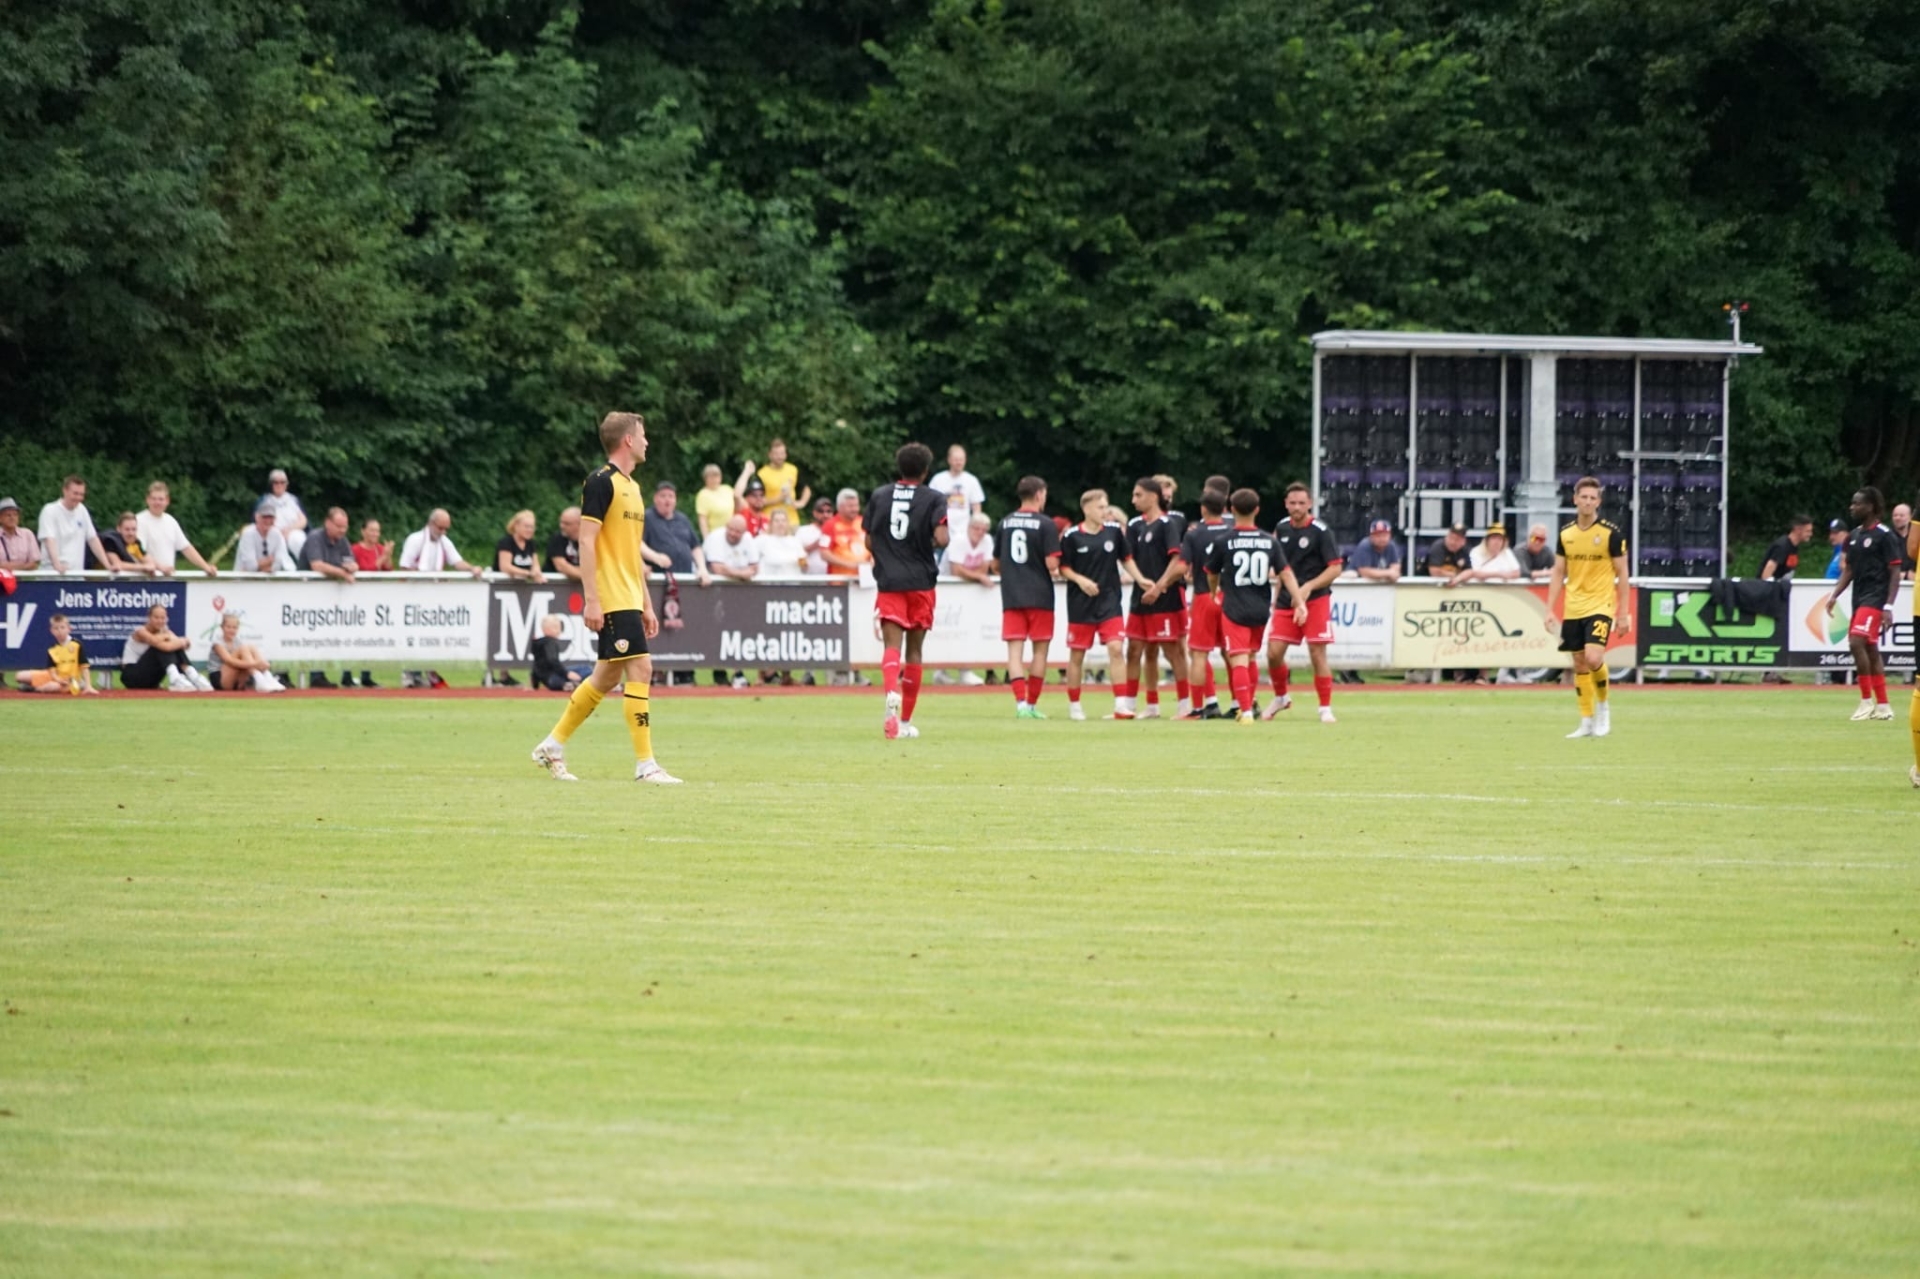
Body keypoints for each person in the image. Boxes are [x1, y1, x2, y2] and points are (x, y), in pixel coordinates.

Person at [529, 410, 682, 784]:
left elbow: (630, 552)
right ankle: (645, 765)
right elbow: (587, 541)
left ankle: (552, 746)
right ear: (628, 440)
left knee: (605, 677)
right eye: (642, 435)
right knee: (641, 668)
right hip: (611, 595)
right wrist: (593, 600)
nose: (646, 441)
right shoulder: (600, 482)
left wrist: (646, 602)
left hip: (629, 594)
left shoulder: (634, 488)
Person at [863, 442, 950, 739]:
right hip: (921, 581)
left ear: (899, 468)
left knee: (891, 646)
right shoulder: (934, 498)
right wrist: (923, 541)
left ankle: (891, 694)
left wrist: (890, 551)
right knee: (915, 651)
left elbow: (869, 541)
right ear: (925, 471)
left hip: (890, 580)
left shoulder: (880, 495)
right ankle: (906, 722)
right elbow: (942, 538)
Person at [1206, 489, 1308, 722]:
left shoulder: (1224, 541)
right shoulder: (1269, 541)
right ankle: (1250, 705)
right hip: (1260, 607)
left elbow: (1211, 572)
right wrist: (1300, 602)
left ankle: (1245, 711)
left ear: (1232, 509)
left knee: (1239, 659)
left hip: (1234, 606)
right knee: (1251, 657)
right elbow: (1286, 573)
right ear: (1257, 510)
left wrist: (1214, 592)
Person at [1545, 476, 1633, 739]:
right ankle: (1586, 720)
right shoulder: (1566, 534)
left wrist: (1623, 613)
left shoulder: (1611, 533)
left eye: (1592, 498)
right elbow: (1558, 571)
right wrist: (1549, 608)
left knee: (1594, 658)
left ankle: (1603, 707)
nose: (1587, 501)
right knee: (1579, 662)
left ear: (1598, 502)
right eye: (1583, 497)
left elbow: (1623, 572)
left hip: (1601, 604)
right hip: (1574, 606)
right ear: (1575, 499)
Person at [1059, 488, 1148, 721]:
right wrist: (1080, 580)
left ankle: (1121, 705)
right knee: (1077, 655)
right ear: (1086, 509)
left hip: (1109, 601)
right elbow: (1063, 568)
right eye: (1100, 507)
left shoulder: (1114, 532)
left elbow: (1126, 559)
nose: (1104, 512)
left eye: (1106, 507)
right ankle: (1075, 705)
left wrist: (1140, 579)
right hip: (1081, 604)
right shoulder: (1071, 536)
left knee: (1116, 648)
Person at [1264, 483, 1345, 724]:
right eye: (1293, 503)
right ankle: (1281, 697)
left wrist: (1309, 586)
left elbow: (1335, 568)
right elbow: (1281, 568)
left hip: (1316, 599)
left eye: (1301, 503)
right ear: (1286, 504)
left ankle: (1325, 708)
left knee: (1317, 653)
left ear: (1310, 504)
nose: (1297, 507)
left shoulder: (1321, 531)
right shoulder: (1281, 528)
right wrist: (1277, 596)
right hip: (1287, 600)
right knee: (1273, 653)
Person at [1823, 487, 1901, 723]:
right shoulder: (1853, 537)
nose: (1852, 507)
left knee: (1856, 641)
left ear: (1870, 506)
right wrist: (1835, 595)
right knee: (1870, 649)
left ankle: (1866, 701)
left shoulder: (1884, 535)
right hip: (1859, 598)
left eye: (1857, 503)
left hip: (1875, 599)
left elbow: (1894, 572)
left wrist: (1888, 606)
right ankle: (1884, 706)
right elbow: (1849, 570)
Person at [1121, 477, 1189, 720]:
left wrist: (1159, 587)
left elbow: (1177, 559)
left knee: (1172, 651)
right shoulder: (1135, 525)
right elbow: (1127, 557)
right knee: (1135, 650)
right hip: (1140, 598)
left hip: (1165, 599)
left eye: (1138, 495)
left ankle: (1184, 705)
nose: (1134, 500)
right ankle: (1138, 705)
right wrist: (1140, 581)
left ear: (1153, 496)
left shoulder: (1167, 524)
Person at [994, 477, 1062, 718]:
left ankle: (1020, 703)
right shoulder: (1045, 524)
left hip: (1012, 595)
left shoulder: (1005, 522)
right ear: (1039, 495)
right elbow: (1052, 563)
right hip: (1040, 595)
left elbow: (995, 564)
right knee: (1040, 652)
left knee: (1014, 652)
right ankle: (1032, 704)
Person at [1177, 487, 1234, 718]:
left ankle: (1199, 707)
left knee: (1199, 653)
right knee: (1232, 653)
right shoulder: (1232, 531)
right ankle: (1240, 703)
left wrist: (1160, 584)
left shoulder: (1194, 534)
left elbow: (1182, 566)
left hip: (1204, 595)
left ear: (1203, 509)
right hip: (1230, 598)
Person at [297, 507, 362, 688]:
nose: (342, 530)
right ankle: (287, 675)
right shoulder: (315, 538)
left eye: (345, 527)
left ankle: (318, 675)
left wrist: (353, 567)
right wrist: (343, 573)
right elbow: (317, 565)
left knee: (323, 635)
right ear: (328, 523)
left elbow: (350, 562)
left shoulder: (343, 541)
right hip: (304, 596)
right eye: (339, 526)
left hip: (326, 601)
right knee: (306, 636)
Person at [120, 603, 212, 691]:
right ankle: (175, 679)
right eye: (156, 617)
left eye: (163, 618)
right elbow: (159, 643)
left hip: (151, 678)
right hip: (132, 677)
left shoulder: (164, 631)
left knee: (173, 646)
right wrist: (176, 639)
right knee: (161, 647)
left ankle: (194, 676)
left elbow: (184, 645)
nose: (160, 621)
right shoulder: (140, 631)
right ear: (149, 618)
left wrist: (181, 641)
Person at [135, 482, 219, 576]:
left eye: (161, 499)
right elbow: (138, 552)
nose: (157, 502)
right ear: (147, 500)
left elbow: (186, 548)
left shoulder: (171, 521)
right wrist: (160, 568)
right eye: (154, 499)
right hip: (145, 579)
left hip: (168, 579)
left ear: (167, 501)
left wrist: (206, 567)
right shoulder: (138, 521)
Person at [37, 475, 111, 574]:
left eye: (81, 494)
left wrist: (107, 565)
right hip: (52, 574)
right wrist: (57, 564)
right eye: (75, 493)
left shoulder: (82, 510)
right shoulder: (49, 510)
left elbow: (93, 539)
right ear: (65, 491)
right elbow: (49, 540)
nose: (79, 498)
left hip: (76, 575)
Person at [641, 483, 712, 584]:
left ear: (675, 500)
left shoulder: (683, 519)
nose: (667, 500)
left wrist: (702, 568)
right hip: (658, 580)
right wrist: (655, 557)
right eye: (663, 496)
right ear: (655, 499)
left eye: (671, 496)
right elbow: (637, 543)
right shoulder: (646, 517)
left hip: (686, 579)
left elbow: (695, 546)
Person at [15, 613, 97, 694]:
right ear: (52, 631)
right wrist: (57, 679)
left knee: (54, 686)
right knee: (20, 676)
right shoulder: (52, 648)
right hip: (55, 676)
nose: (59, 631)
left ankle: (34, 689)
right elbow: (52, 670)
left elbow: (84, 666)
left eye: (62, 627)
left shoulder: (76, 645)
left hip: (70, 680)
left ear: (69, 629)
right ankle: (41, 684)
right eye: (56, 628)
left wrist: (88, 685)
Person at [209, 612, 286, 692]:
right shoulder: (217, 643)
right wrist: (257, 664)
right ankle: (259, 678)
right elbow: (230, 661)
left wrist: (261, 664)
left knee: (251, 648)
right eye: (228, 627)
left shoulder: (238, 641)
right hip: (220, 680)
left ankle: (267, 676)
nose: (231, 630)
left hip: (236, 680)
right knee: (244, 649)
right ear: (222, 627)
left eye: (234, 628)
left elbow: (246, 659)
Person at [929, 444, 986, 548]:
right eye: (956, 460)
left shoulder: (971, 480)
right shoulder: (938, 480)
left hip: (963, 533)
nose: (959, 463)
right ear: (949, 460)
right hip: (942, 533)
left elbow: (976, 508)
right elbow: (930, 505)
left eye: (961, 460)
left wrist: (975, 529)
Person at [399, 509, 484, 576]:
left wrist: (472, 568)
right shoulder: (415, 539)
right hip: (413, 587)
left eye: (446, 529)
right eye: (440, 528)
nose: (443, 532)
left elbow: (457, 562)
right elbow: (404, 567)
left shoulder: (445, 541)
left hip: (434, 586)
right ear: (431, 523)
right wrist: (423, 576)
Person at [752, 439, 810, 527]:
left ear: (786, 454)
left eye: (782, 453)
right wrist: (778, 498)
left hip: (792, 521)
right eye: (776, 454)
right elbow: (756, 501)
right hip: (770, 520)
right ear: (770, 455)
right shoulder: (762, 474)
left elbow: (806, 489)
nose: (780, 457)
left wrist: (802, 502)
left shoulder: (792, 470)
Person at [259, 468, 309, 558]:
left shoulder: (293, 500)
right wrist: (278, 532)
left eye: (282, 482)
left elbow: (303, 520)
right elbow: (260, 521)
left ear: (286, 484)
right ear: (271, 484)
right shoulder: (265, 501)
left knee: (298, 539)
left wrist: (289, 530)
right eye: (276, 482)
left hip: (293, 531)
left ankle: (306, 564)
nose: (279, 485)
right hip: (273, 533)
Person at [529, 614, 584, 693]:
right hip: (554, 677)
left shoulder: (538, 644)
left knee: (557, 680)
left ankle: (568, 684)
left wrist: (535, 684)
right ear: (547, 629)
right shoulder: (550, 643)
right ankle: (575, 683)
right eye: (556, 628)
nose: (559, 631)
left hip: (549, 680)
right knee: (586, 669)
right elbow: (553, 661)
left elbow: (536, 667)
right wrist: (567, 673)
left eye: (559, 628)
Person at [1452, 523, 1522, 585]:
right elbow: (1474, 573)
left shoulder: (1507, 552)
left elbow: (1517, 573)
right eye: (1494, 538)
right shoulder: (1476, 552)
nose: (1497, 542)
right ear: (1487, 540)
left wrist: (1489, 575)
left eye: (1500, 539)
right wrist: (1500, 574)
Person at [822, 490, 870, 577]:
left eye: (856, 505)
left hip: (864, 578)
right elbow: (824, 553)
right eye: (850, 506)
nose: (855, 509)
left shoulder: (863, 522)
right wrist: (849, 564)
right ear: (840, 507)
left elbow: (874, 545)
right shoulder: (829, 525)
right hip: (840, 580)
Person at [235, 503, 294, 573]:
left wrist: (261, 565)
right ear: (257, 517)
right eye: (264, 517)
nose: (268, 520)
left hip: (269, 577)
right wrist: (270, 560)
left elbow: (278, 563)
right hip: (244, 578)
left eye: (271, 517)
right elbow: (250, 566)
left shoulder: (277, 534)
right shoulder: (248, 534)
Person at [494, 510, 547, 587]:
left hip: (522, 586)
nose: (530, 530)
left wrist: (536, 573)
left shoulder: (531, 543)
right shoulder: (506, 542)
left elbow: (535, 565)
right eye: (526, 526)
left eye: (532, 527)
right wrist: (527, 574)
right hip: (502, 585)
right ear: (516, 526)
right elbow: (505, 567)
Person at [754, 508, 809, 580]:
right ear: (771, 523)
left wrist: (804, 565)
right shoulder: (762, 540)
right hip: (768, 582)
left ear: (787, 523)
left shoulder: (795, 541)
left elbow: (803, 564)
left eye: (783, 520)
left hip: (792, 582)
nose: (780, 523)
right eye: (777, 521)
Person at [703, 515, 761, 582]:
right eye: (731, 529)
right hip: (713, 583)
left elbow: (755, 568)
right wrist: (742, 574)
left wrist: (730, 571)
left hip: (741, 585)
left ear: (744, 532)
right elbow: (717, 569)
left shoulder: (748, 538)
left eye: (737, 531)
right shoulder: (715, 537)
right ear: (726, 526)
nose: (732, 534)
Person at [945, 512, 995, 584]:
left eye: (984, 530)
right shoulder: (958, 540)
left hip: (972, 583)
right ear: (969, 528)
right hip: (947, 582)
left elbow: (984, 569)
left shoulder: (987, 540)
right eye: (976, 528)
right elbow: (956, 571)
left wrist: (975, 576)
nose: (980, 532)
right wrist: (979, 576)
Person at [1760, 516, 1814, 581]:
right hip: (1769, 586)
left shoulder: (1794, 546)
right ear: (1798, 530)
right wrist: (1771, 586)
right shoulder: (1782, 546)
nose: (1811, 534)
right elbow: (1767, 573)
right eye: (1808, 531)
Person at [695, 464, 735, 537]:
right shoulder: (703, 494)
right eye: (710, 477)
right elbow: (702, 520)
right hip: (715, 535)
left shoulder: (727, 489)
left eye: (716, 476)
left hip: (732, 533)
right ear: (705, 479)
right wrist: (706, 538)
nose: (714, 479)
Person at [0, 498, 39, 570]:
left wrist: (9, 567)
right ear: (0, 518)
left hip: (23, 577)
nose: (12, 518)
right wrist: (23, 565)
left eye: (15, 515)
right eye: (8, 515)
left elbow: (34, 563)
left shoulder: (27, 534)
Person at [546, 507, 582, 581]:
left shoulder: (589, 540)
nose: (561, 526)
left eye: (567, 524)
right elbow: (561, 566)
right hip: (555, 583)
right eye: (561, 522)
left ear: (579, 524)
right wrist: (587, 577)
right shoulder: (558, 539)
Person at [731, 471, 771, 535]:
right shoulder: (744, 512)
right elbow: (737, 495)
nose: (759, 498)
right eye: (754, 495)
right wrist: (747, 472)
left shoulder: (767, 519)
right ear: (747, 498)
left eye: (761, 495)